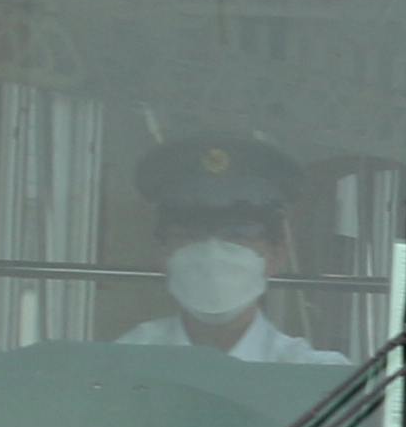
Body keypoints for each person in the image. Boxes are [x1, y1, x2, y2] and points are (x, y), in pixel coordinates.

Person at [119, 135, 336, 360]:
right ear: (161, 252)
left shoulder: (314, 373)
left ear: (277, 254)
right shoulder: (125, 360)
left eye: (238, 235)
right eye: (191, 234)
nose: (213, 253)